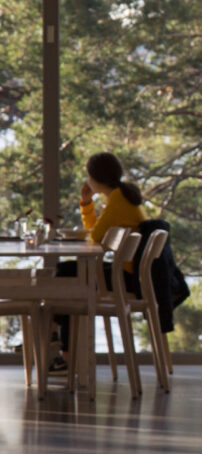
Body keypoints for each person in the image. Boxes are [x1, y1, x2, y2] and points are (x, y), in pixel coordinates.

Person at [50, 151, 147, 373]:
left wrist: (87, 207)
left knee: (67, 273)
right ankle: (57, 341)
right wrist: (87, 205)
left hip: (126, 279)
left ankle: (56, 340)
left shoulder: (118, 199)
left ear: (94, 177)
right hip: (130, 275)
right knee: (67, 270)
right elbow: (98, 233)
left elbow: (95, 237)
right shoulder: (122, 195)